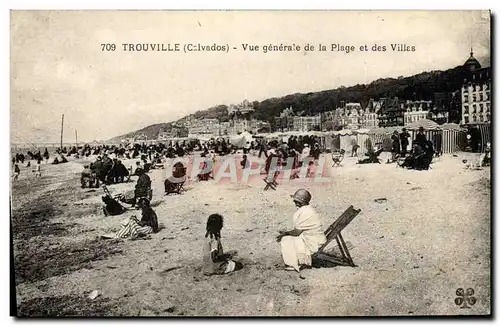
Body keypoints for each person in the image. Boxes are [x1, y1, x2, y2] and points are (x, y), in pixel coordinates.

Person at [276, 189, 327, 272]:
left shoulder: (305, 212)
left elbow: (297, 232)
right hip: (316, 238)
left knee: (286, 239)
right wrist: (287, 233)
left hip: (314, 242)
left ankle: (293, 264)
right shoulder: (308, 209)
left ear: (300, 202)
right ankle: (297, 261)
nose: (294, 202)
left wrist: (285, 233)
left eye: (295, 200)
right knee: (289, 237)